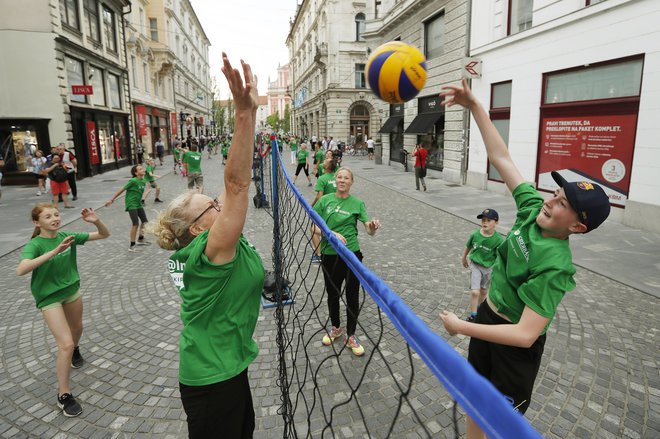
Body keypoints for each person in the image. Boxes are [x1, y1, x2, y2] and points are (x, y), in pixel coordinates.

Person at [438, 79, 611, 438]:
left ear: (578, 227)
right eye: (557, 193)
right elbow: (501, 157)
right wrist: (476, 107)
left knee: (500, 422)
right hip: (488, 319)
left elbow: (524, 335)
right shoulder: (534, 209)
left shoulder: (555, 266)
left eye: (563, 203)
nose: (550, 200)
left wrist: (460, 326)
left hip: (511, 348)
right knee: (474, 399)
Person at [150, 53, 264, 438]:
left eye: (215, 201)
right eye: (211, 206)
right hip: (213, 381)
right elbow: (236, 185)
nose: (220, 202)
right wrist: (244, 114)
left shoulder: (194, 257)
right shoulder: (209, 252)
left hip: (224, 368)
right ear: (198, 231)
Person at [16, 204, 110, 417]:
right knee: (65, 344)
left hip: (71, 291)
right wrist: (54, 251)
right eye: (48, 216)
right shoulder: (36, 244)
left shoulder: (68, 235)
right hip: (49, 298)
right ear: (37, 223)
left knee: (77, 329)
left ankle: (76, 348)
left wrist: (96, 221)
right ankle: (64, 395)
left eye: (56, 214)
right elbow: (21, 269)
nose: (55, 218)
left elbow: (105, 234)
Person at [313, 167, 381, 356]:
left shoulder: (357, 203)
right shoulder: (324, 201)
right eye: (340, 177)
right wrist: (331, 234)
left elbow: (368, 230)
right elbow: (313, 228)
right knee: (333, 294)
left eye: (346, 178)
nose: (342, 180)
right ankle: (336, 328)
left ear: (351, 182)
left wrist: (373, 227)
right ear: (335, 180)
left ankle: (351, 335)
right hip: (330, 254)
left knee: (352, 295)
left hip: (352, 255)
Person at [461, 208, 504, 322]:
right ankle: (474, 316)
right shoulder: (475, 234)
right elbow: (468, 246)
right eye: (483, 220)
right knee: (475, 292)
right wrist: (464, 258)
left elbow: (499, 257)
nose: (485, 222)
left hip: (489, 268)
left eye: (489, 220)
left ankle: (480, 312)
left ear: (496, 222)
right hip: (475, 265)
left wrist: (499, 270)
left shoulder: (499, 240)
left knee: (484, 292)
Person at [104, 165, 148, 251]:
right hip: (131, 204)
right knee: (135, 224)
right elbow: (122, 189)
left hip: (138, 204)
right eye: (140, 169)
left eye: (142, 168)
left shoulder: (143, 180)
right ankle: (132, 245)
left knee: (145, 221)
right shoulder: (133, 181)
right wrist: (111, 200)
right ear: (136, 173)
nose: (143, 170)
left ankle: (140, 238)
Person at [310, 158, 338, 263]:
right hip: (336, 206)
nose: (323, 161)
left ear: (326, 166)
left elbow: (319, 196)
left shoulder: (322, 178)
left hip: (325, 208)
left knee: (313, 229)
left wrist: (312, 206)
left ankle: (319, 254)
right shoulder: (337, 177)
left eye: (326, 161)